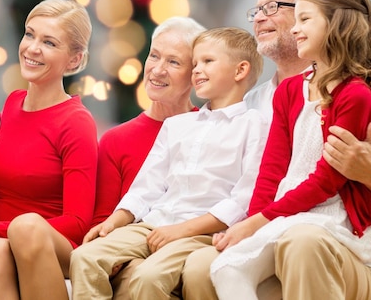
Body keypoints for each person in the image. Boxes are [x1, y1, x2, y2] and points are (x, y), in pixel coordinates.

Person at [210, 0, 371, 299]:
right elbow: (271, 170)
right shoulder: (287, 93)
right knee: (224, 267)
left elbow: (326, 181)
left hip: (327, 217)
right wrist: (252, 223)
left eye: (305, 19)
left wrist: (259, 222)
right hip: (282, 212)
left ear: (336, 26)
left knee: (301, 243)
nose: (295, 28)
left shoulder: (357, 96)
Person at [69, 27, 269, 300]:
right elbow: (147, 186)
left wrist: (180, 230)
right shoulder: (176, 126)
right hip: (153, 223)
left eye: (207, 61)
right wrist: (115, 220)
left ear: (240, 70)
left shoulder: (255, 125)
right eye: (195, 63)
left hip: (201, 232)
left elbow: (243, 199)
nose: (197, 70)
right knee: (84, 258)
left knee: (148, 278)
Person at [0, 0, 98, 300]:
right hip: (2, 244)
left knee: (23, 229)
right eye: (30, 34)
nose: (32, 48)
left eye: (49, 42)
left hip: (50, 245)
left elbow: (77, 223)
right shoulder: (12, 102)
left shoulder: (76, 121)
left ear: (73, 60)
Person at [91, 16, 205, 300]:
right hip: (131, 257)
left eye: (174, 62)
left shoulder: (214, 130)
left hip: (191, 252)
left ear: (196, 72)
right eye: (154, 56)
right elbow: (104, 219)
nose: (157, 69)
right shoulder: (116, 140)